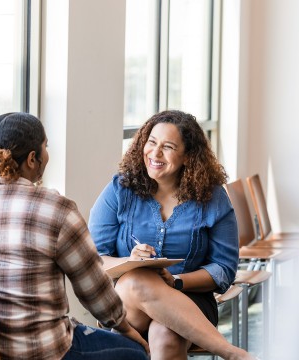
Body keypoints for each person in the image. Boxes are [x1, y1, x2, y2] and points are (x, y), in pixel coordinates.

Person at [0, 112, 148, 360]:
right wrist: (125, 328)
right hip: (41, 350)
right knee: (135, 353)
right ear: (33, 158)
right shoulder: (56, 208)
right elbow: (92, 290)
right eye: (46, 147)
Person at [89, 110, 256, 360]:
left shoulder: (213, 197)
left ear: (188, 156)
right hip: (126, 305)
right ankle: (230, 352)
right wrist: (129, 262)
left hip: (190, 301)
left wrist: (176, 281)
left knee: (167, 335)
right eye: (152, 142)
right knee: (135, 280)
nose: (155, 153)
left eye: (167, 147)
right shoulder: (120, 189)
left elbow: (223, 269)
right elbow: (92, 260)